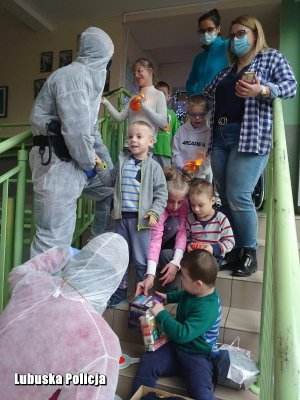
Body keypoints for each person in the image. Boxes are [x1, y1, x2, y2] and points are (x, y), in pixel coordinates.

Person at [203, 15, 297, 276]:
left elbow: (291, 86)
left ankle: (249, 252)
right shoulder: (226, 71)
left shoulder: (271, 58)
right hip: (220, 136)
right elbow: (209, 92)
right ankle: (233, 250)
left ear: (256, 34)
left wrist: (263, 90)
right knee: (224, 196)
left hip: (249, 135)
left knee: (239, 195)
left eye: (241, 33)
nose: (236, 39)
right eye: (232, 35)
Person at [0, 233, 129, 400]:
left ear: (80, 258)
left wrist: (62, 252)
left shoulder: (33, 282)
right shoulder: (103, 346)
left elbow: (18, 273)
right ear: (114, 282)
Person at [29, 27, 115, 257]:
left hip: (72, 165)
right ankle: (40, 291)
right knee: (51, 239)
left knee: (108, 191)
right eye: (109, 62)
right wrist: (91, 166)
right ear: (102, 58)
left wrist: (109, 172)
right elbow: (77, 133)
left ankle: (93, 249)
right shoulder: (72, 77)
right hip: (56, 166)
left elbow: (92, 133)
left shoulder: (86, 83)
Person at [132, 249, 221, 400]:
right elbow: (185, 295)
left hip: (197, 355)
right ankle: (140, 397)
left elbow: (182, 334)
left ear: (198, 284)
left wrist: (161, 314)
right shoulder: (197, 291)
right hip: (176, 348)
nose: (181, 279)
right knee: (149, 360)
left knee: (202, 394)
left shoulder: (208, 309)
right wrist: (168, 297)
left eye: (184, 277)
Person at [95, 121, 168, 306]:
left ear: (151, 141)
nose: (133, 140)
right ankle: (121, 290)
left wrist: (154, 213)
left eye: (139, 136)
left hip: (141, 221)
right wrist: (100, 165)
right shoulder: (123, 163)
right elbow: (108, 180)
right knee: (121, 257)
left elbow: (161, 194)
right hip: (121, 219)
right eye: (130, 136)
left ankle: (143, 294)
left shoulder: (154, 167)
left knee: (141, 260)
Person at [136, 168, 190, 296]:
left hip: (174, 244)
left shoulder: (185, 206)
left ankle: (171, 294)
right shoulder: (159, 207)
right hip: (156, 241)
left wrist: (176, 262)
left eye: (180, 202)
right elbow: (155, 239)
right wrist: (150, 274)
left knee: (175, 226)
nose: (175, 206)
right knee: (170, 225)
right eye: (170, 201)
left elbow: (182, 233)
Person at [101, 58, 168, 141]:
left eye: (139, 71)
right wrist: (105, 102)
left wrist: (144, 106)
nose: (136, 75)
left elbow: (163, 123)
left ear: (150, 72)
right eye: (134, 73)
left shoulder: (159, 95)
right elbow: (120, 118)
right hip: (128, 145)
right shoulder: (134, 96)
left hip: (146, 148)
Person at [186, 178, 235, 268]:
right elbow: (186, 238)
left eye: (200, 205)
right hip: (194, 256)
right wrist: (188, 245)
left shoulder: (221, 218)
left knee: (203, 267)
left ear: (212, 201)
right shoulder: (190, 218)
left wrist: (213, 248)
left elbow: (230, 241)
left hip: (214, 257)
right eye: (192, 205)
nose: (196, 209)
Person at [186, 9, 228, 96]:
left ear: (218, 29)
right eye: (202, 31)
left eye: (209, 29)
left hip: (222, 101)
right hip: (202, 105)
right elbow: (190, 83)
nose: (205, 34)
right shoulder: (199, 58)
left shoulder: (228, 46)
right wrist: (194, 97)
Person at [172, 94, 212, 181]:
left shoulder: (209, 133)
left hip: (201, 178)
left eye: (200, 114)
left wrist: (198, 169)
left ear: (205, 113)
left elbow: (209, 157)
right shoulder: (181, 131)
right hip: (182, 175)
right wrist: (183, 167)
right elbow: (175, 153)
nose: (197, 118)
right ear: (188, 114)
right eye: (193, 114)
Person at [153, 81, 180, 168]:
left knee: (166, 178)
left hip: (166, 153)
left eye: (163, 94)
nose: (160, 96)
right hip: (150, 151)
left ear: (169, 96)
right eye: (157, 94)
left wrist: (173, 152)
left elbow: (177, 136)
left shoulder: (172, 115)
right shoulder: (151, 113)